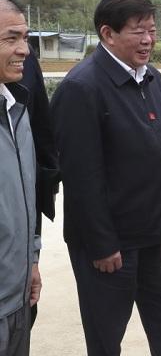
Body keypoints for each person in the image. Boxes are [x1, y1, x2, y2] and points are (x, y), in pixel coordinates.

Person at [50, 0, 161, 356]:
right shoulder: (82, 88)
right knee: (106, 332)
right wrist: (102, 243)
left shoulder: (152, 79)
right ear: (107, 34)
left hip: (153, 234)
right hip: (111, 245)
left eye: (152, 30)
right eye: (138, 31)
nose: (148, 40)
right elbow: (80, 176)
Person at [0, 0, 40, 356]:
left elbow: (24, 198)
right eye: (11, 39)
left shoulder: (17, 111)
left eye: (25, 38)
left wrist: (32, 260)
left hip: (17, 299)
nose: (25, 50)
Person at [20, 52, 60, 328]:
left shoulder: (23, 58)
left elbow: (41, 129)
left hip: (22, 205)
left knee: (22, 310)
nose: (21, 47)